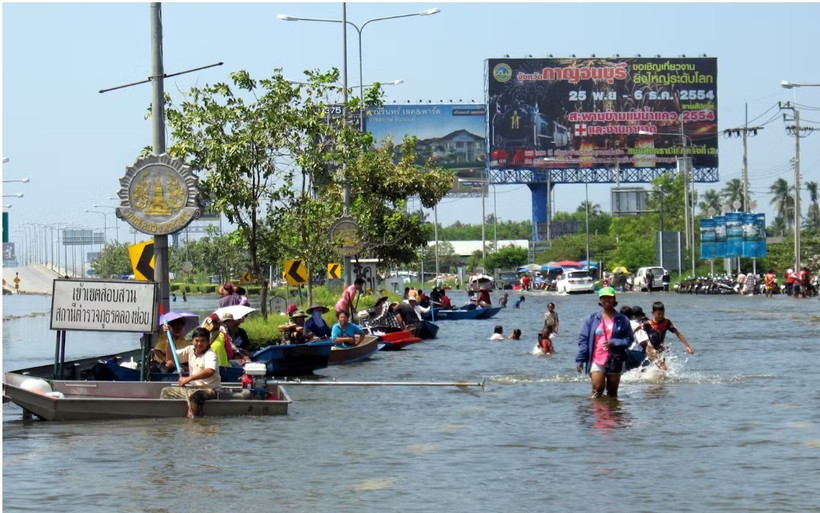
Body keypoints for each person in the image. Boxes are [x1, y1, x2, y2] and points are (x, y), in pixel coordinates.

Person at [575, 286, 634, 398]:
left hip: (615, 359)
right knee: (597, 389)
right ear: (600, 300)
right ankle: (593, 408)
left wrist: (614, 342)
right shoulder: (592, 319)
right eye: (604, 298)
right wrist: (580, 360)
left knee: (612, 392)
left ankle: (611, 409)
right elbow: (583, 340)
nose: (607, 300)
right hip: (596, 359)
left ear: (614, 299)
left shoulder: (622, 319)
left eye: (610, 297)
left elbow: (629, 339)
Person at [160, 327, 221, 418]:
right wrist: (169, 339)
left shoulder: (210, 354)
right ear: (192, 341)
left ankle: (193, 421)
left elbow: (210, 371)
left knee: (195, 396)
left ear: (208, 342)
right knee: (166, 391)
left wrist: (188, 379)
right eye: (197, 341)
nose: (199, 344)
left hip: (210, 390)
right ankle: (167, 417)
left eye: (202, 341)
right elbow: (170, 358)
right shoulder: (190, 350)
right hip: (193, 389)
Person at [640, 301, 694, 371]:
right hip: (650, 349)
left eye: (662, 314)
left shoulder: (666, 322)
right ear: (653, 313)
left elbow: (677, 333)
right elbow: (638, 329)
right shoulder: (648, 324)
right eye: (658, 314)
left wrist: (687, 346)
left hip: (660, 349)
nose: (661, 316)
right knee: (663, 367)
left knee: (662, 369)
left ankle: (648, 376)